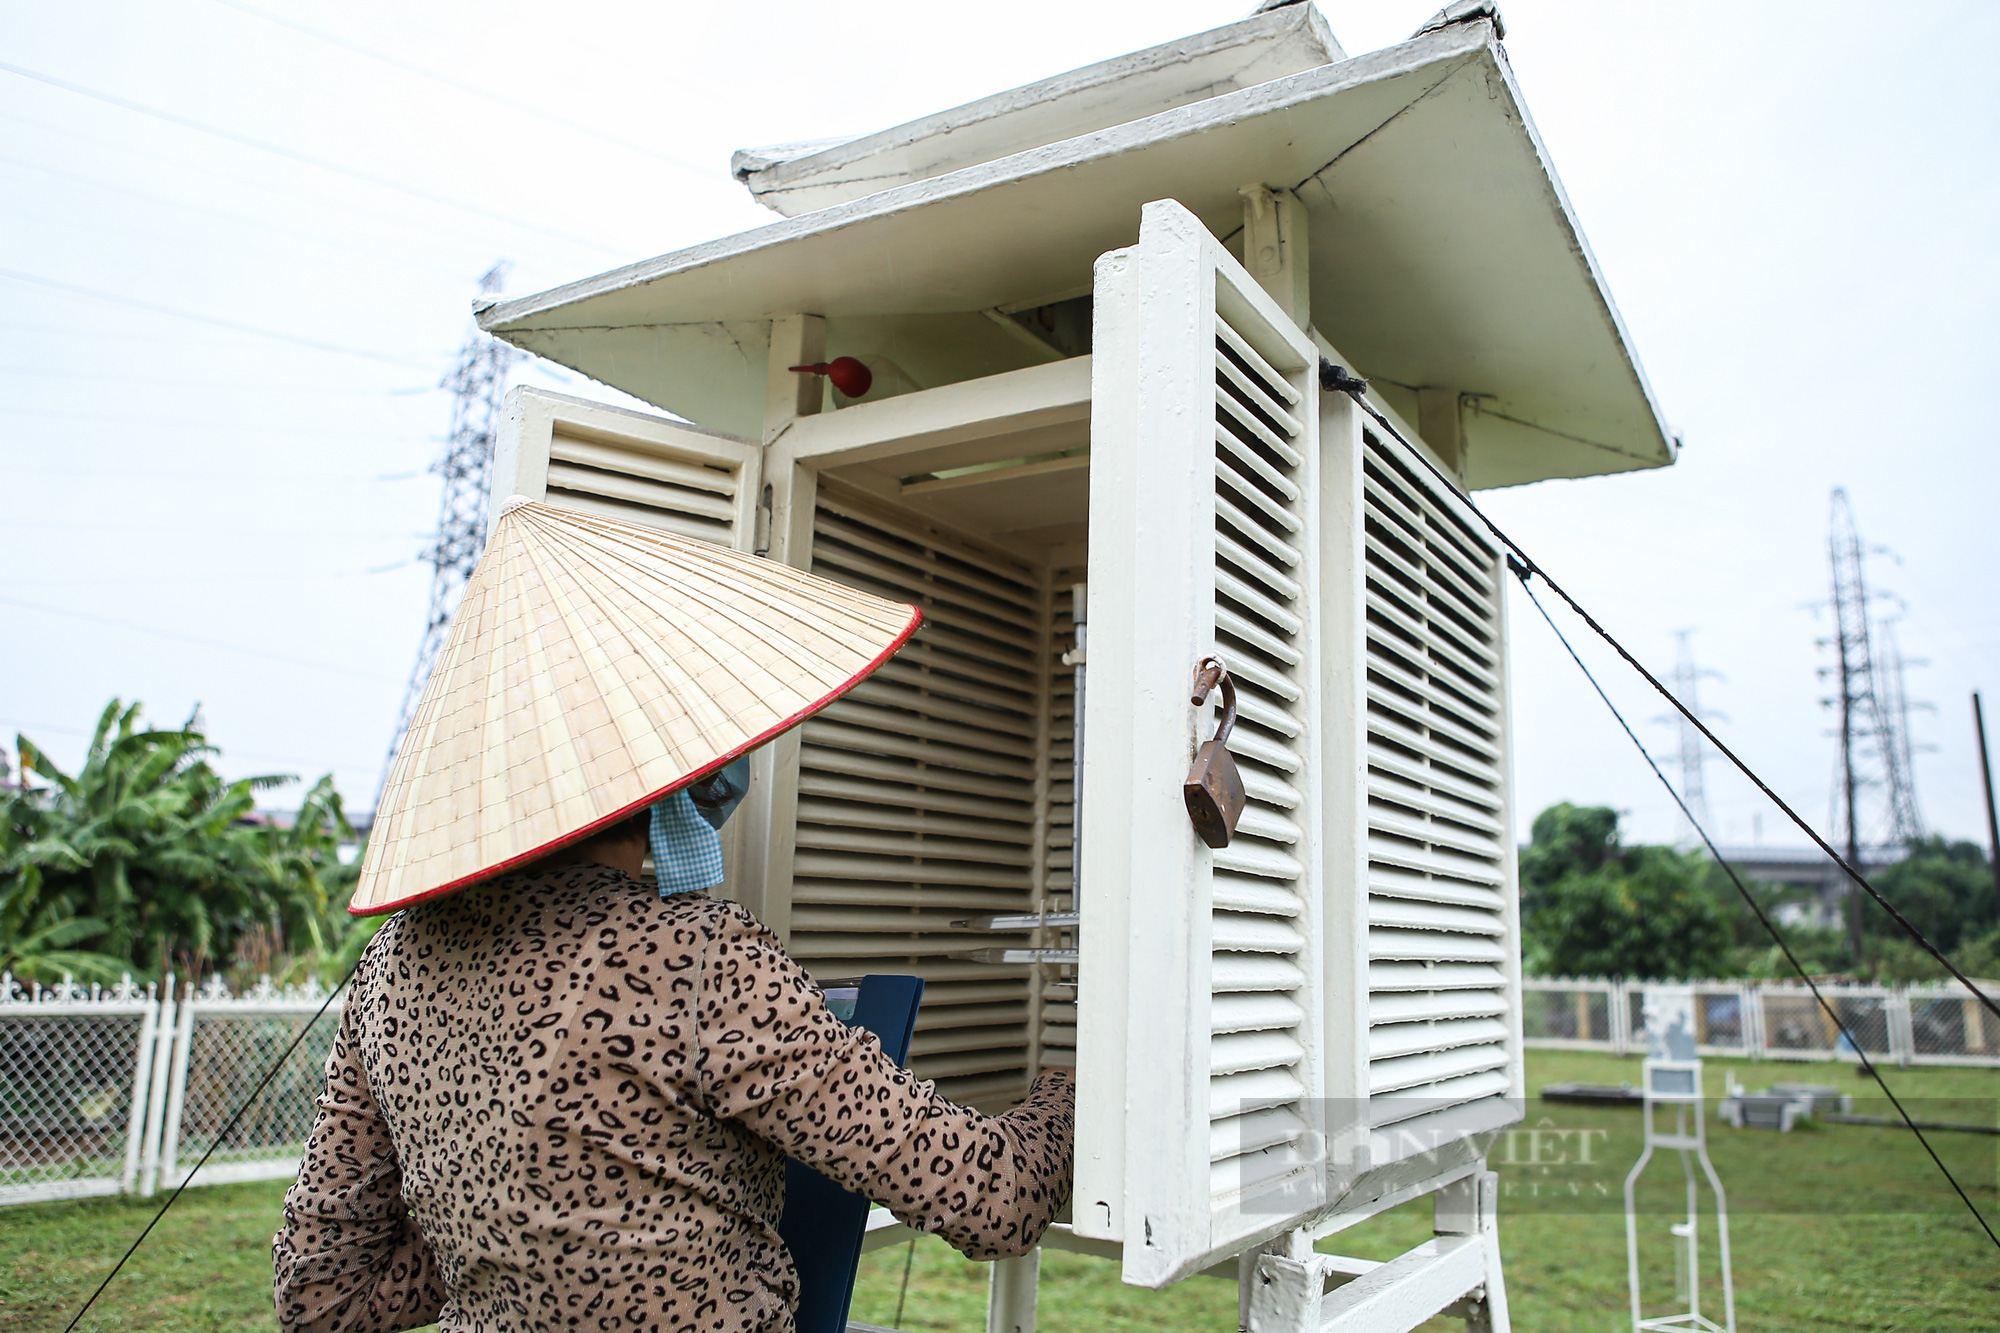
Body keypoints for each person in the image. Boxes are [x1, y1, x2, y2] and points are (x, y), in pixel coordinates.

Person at [274, 498, 1075, 1333]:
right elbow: (992, 1196)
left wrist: (500, 1236)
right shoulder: (693, 961)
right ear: (666, 777)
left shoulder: (389, 969)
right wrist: (1065, 1095)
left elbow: (324, 1298)